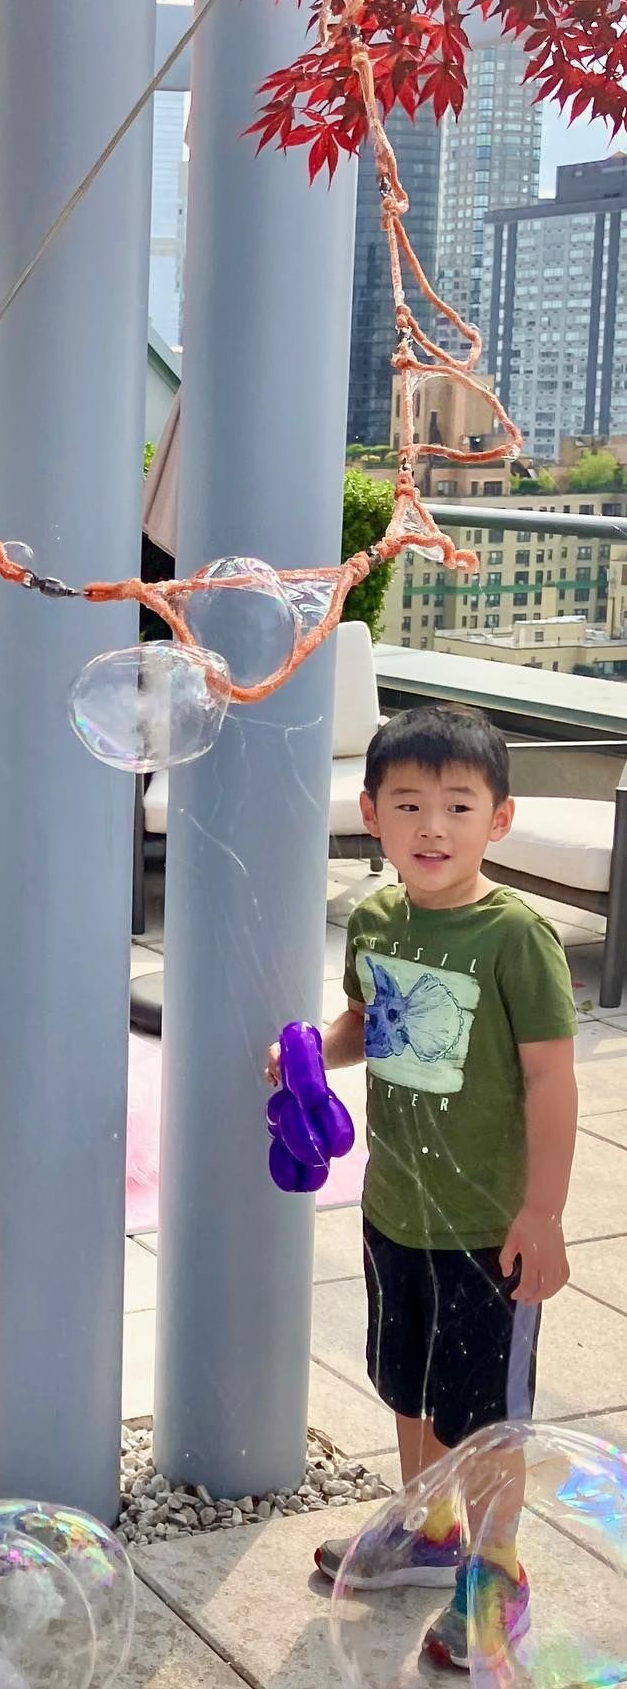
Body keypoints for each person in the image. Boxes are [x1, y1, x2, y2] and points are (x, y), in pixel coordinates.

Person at [265, 704, 578, 1672]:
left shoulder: (514, 938)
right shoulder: (375, 916)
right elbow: (374, 1023)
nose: (432, 827)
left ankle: (496, 1573)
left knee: (481, 1413)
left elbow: (551, 1077)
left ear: (499, 820)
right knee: (407, 1383)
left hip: (488, 1223)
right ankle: (426, 1529)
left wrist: (543, 1215)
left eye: (457, 805)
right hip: (396, 1204)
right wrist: (312, 1054)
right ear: (373, 815)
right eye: (408, 805)